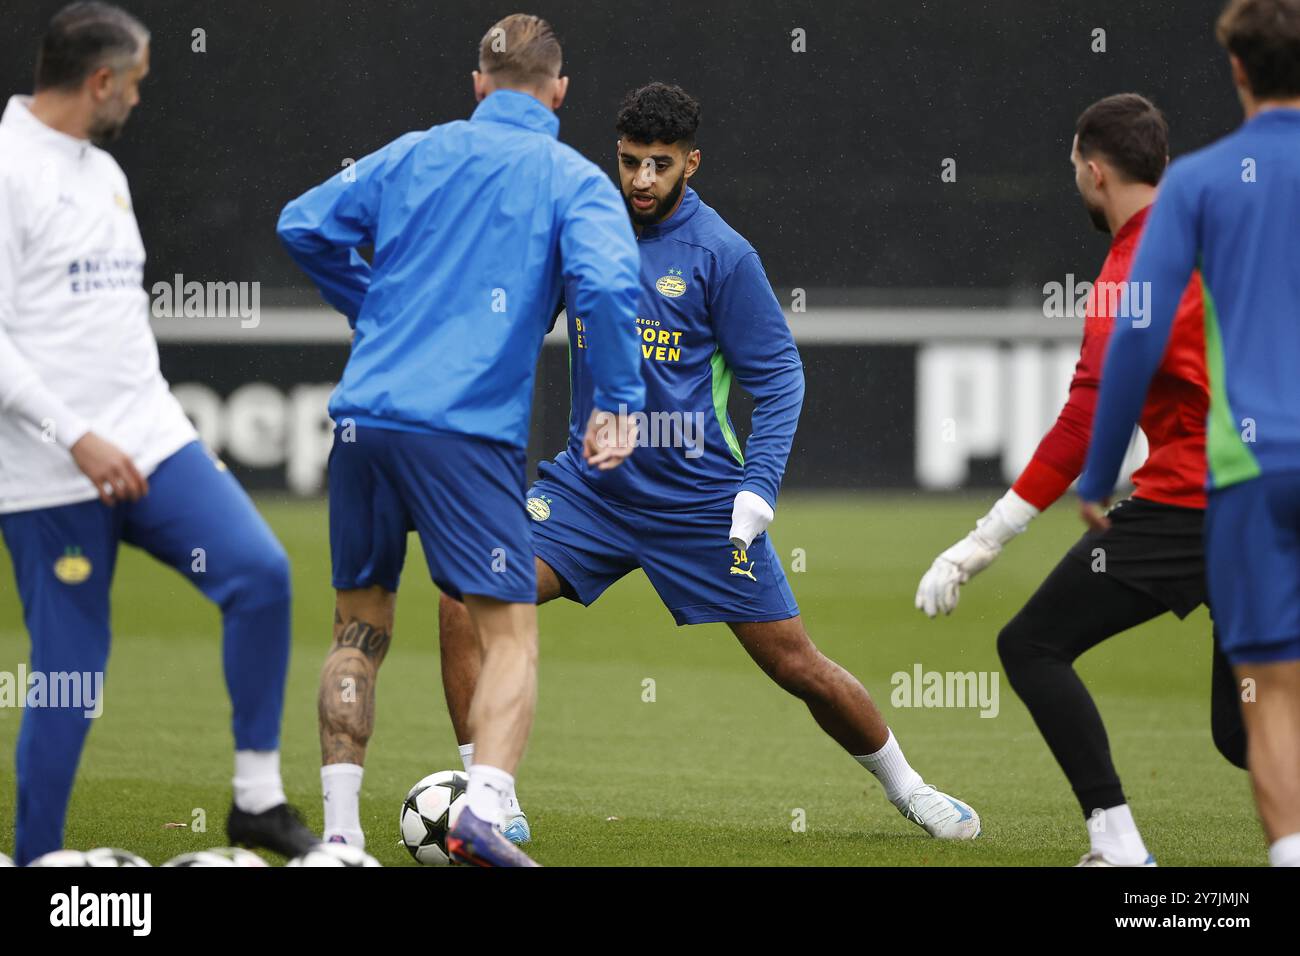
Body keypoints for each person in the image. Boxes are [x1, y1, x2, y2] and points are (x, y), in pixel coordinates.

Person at [438, 83, 981, 847]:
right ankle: (486, 797)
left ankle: (910, 788)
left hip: (698, 504)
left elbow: (781, 376)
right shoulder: (582, 231)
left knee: (797, 666)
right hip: (588, 493)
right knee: (466, 593)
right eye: (630, 162)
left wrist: (757, 489)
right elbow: (517, 328)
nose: (642, 180)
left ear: (691, 163)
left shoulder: (722, 255)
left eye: (660, 164)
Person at [277, 13, 644, 866]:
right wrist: (617, 401)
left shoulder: (416, 152)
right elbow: (605, 282)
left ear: (478, 85)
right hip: (466, 432)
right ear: (559, 91)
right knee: (509, 634)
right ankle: (481, 808)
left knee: (357, 628)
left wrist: (370, 307)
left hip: (366, 418)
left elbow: (303, 223)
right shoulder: (573, 179)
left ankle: (338, 837)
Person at [0, 1, 316, 865]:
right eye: (135, 83)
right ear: (100, 80)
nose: (139, 100)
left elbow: (117, 333)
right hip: (48, 468)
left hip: (149, 441)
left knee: (259, 572)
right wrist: (76, 436)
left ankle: (256, 799)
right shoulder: (8, 170)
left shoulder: (103, 172)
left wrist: (172, 432)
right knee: (72, 666)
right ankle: (37, 858)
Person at [916, 93, 1246, 866]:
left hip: (1193, 504)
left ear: (1095, 173)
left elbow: (1086, 426)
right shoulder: (1225, 238)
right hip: (1268, 503)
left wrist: (983, 540)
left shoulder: (1135, 271)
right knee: (1244, 731)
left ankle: (1116, 843)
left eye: (1073, 168)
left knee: (1032, 645)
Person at [1079, 0, 1300, 868]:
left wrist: (1100, 471)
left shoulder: (1204, 182)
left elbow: (1134, 331)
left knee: (1270, 695)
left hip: (1251, 468)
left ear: (1238, 71)